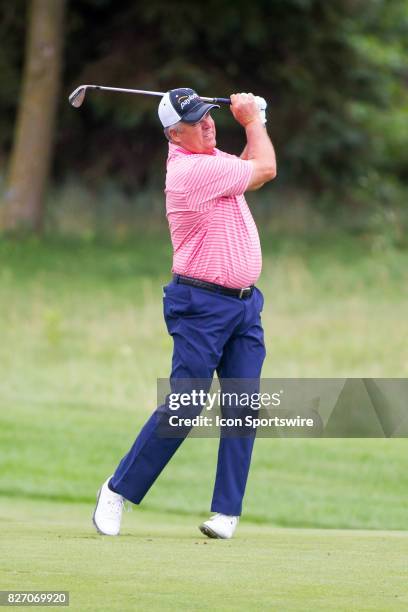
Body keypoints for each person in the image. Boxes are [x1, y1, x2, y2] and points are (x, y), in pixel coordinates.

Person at [93, 87, 276, 539]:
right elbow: (266, 168)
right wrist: (254, 120)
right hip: (200, 306)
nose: (208, 123)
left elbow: (252, 169)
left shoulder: (213, 161)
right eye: (196, 121)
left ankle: (225, 512)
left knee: (242, 406)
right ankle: (117, 490)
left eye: (209, 115)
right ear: (175, 135)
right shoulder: (191, 171)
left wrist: (256, 123)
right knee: (186, 406)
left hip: (243, 305)